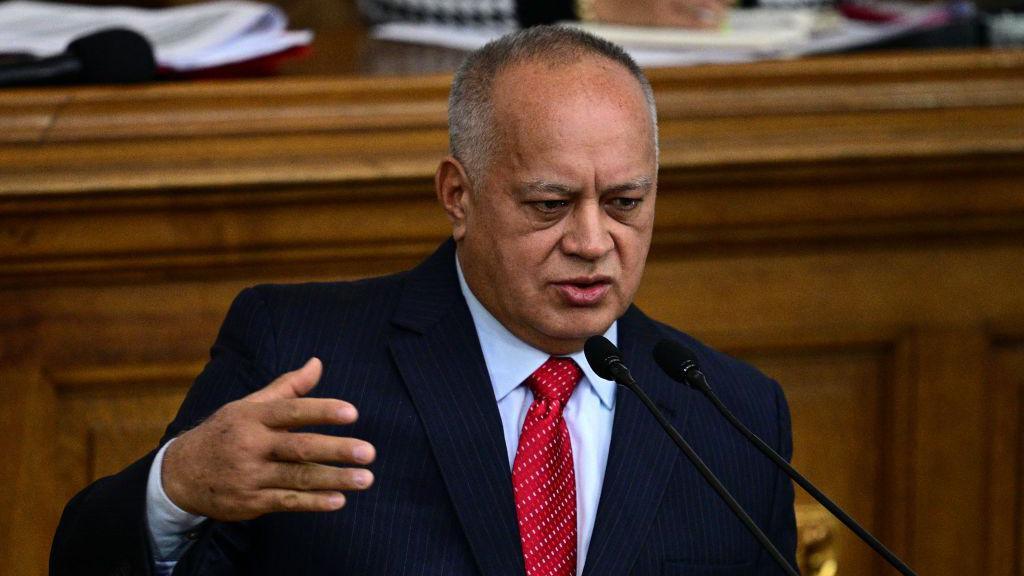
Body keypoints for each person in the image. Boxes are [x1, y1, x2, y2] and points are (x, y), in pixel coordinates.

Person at [51, 25, 797, 576]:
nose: (594, 240)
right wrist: (175, 487)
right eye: (549, 204)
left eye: (627, 202)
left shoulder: (733, 414)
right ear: (457, 195)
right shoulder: (302, 358)